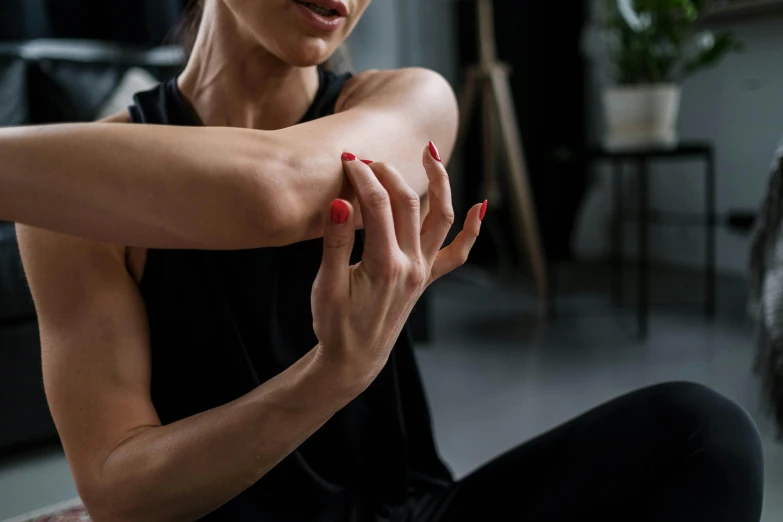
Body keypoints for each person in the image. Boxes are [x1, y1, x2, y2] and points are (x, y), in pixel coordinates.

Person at [15, 1, 764, 521]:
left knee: (700, 433)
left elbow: (272, 190)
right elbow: (119, 493)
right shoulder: (78, 197)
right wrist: (329, 378)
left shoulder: (411, 102)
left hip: (409, 514)